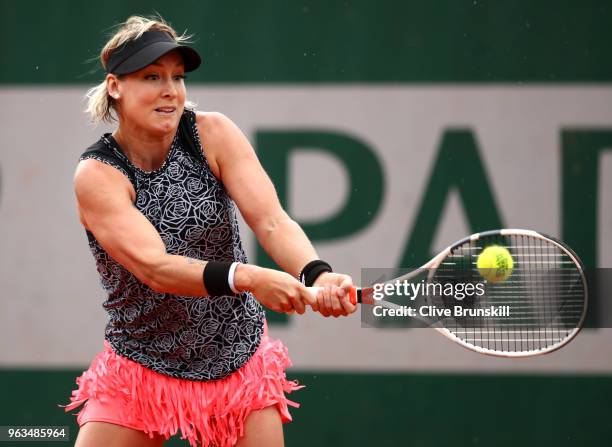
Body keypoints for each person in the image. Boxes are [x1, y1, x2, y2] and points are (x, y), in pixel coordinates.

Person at [62, 15, 356, 447]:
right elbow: (157, 268)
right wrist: (249, 277)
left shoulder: (212, 132)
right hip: (139, 363)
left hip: (236, 357)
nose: (170, 90)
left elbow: (271, 220)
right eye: (151, 77)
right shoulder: (98, 174)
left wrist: (317, 274)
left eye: (177, 78)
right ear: (115, 86)